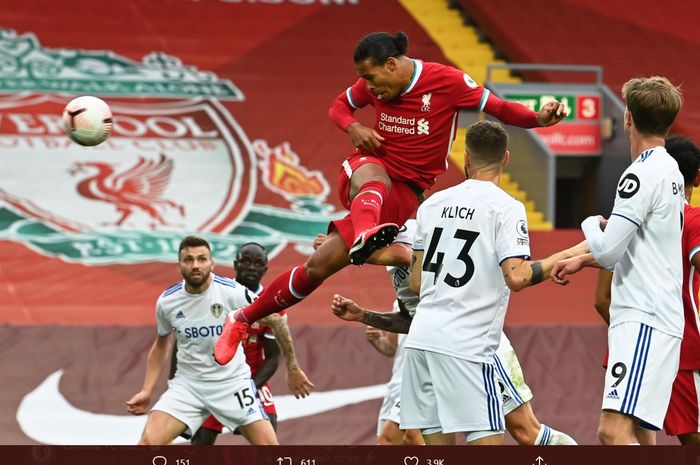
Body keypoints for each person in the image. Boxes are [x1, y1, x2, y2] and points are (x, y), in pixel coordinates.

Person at [214, 31, 566, 365]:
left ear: (393, 65)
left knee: (317, 267)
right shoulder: (375, 88)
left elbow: (500, 107)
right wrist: (354, 126)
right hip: (367, 171)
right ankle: (367, 239)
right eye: (363, 80)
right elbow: (339, 105)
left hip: (406, 195)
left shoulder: (448, 82)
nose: (369, 88)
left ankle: (241, 318)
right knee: (375, 179)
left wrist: (538, 118)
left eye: (371, 78)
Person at [356, 120, 585, 445]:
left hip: (422, 343)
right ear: (505, 158)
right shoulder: (506, 207)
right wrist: (572, 253)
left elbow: (418, 283)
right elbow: (517, 277)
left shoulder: (432, 205)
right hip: (468, 344)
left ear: (465, 157)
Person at [331, 228, 577, 446]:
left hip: (477, 341)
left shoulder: (416, 228)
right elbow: (414, 319)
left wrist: (341, 252)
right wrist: (363, 315)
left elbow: (405, 255)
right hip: (435, 349)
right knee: (424, 440)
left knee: (525, 432)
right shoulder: (388, 256)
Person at [552, 76, 684, 445]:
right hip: (659, 314)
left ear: (627, 117)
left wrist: (590, 222)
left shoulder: (640, 174)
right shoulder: (670, 169)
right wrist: (584, 259)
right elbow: (640, 245)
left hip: (644, 317)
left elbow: (609, 251)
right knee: (640, 434)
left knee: (611, 433)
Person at [126, 236, 278, 445]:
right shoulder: (167, 302)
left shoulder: (233, 293)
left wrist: (294, 367)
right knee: (148, 444)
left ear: (211, 263)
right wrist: (146, 390)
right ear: (179, 265)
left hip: (232, 384)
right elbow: (161, 345)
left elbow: (275, 320)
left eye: (201, 259)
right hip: (189, 386)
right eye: (188, 260)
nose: (195, 265)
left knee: (271, 449)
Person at [168, 242, 314, 444]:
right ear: (236, 264)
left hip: (252, 380)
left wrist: (248, 389)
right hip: (213, 379)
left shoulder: (273, 304)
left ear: (265, 269)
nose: (251, 267)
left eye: (257, 263)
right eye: (246, 262)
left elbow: (272, 356)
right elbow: (183, 339)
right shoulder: (214, 294)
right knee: (201, 441)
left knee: (269, 430)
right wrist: (173, 383)